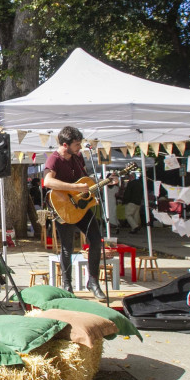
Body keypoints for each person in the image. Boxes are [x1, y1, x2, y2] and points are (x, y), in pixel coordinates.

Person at [42, 126, 113, 300]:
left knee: (96, 241)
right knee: (67, 248)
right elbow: (48, 182)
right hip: (64, 208)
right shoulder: (54, 159)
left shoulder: (78, 157)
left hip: (81, 207)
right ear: (65, 145)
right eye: (76, 144)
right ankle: (67, 285)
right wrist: (74, 187)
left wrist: (106, 182)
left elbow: (85, 182)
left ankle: (93, 282)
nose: (79, 147)